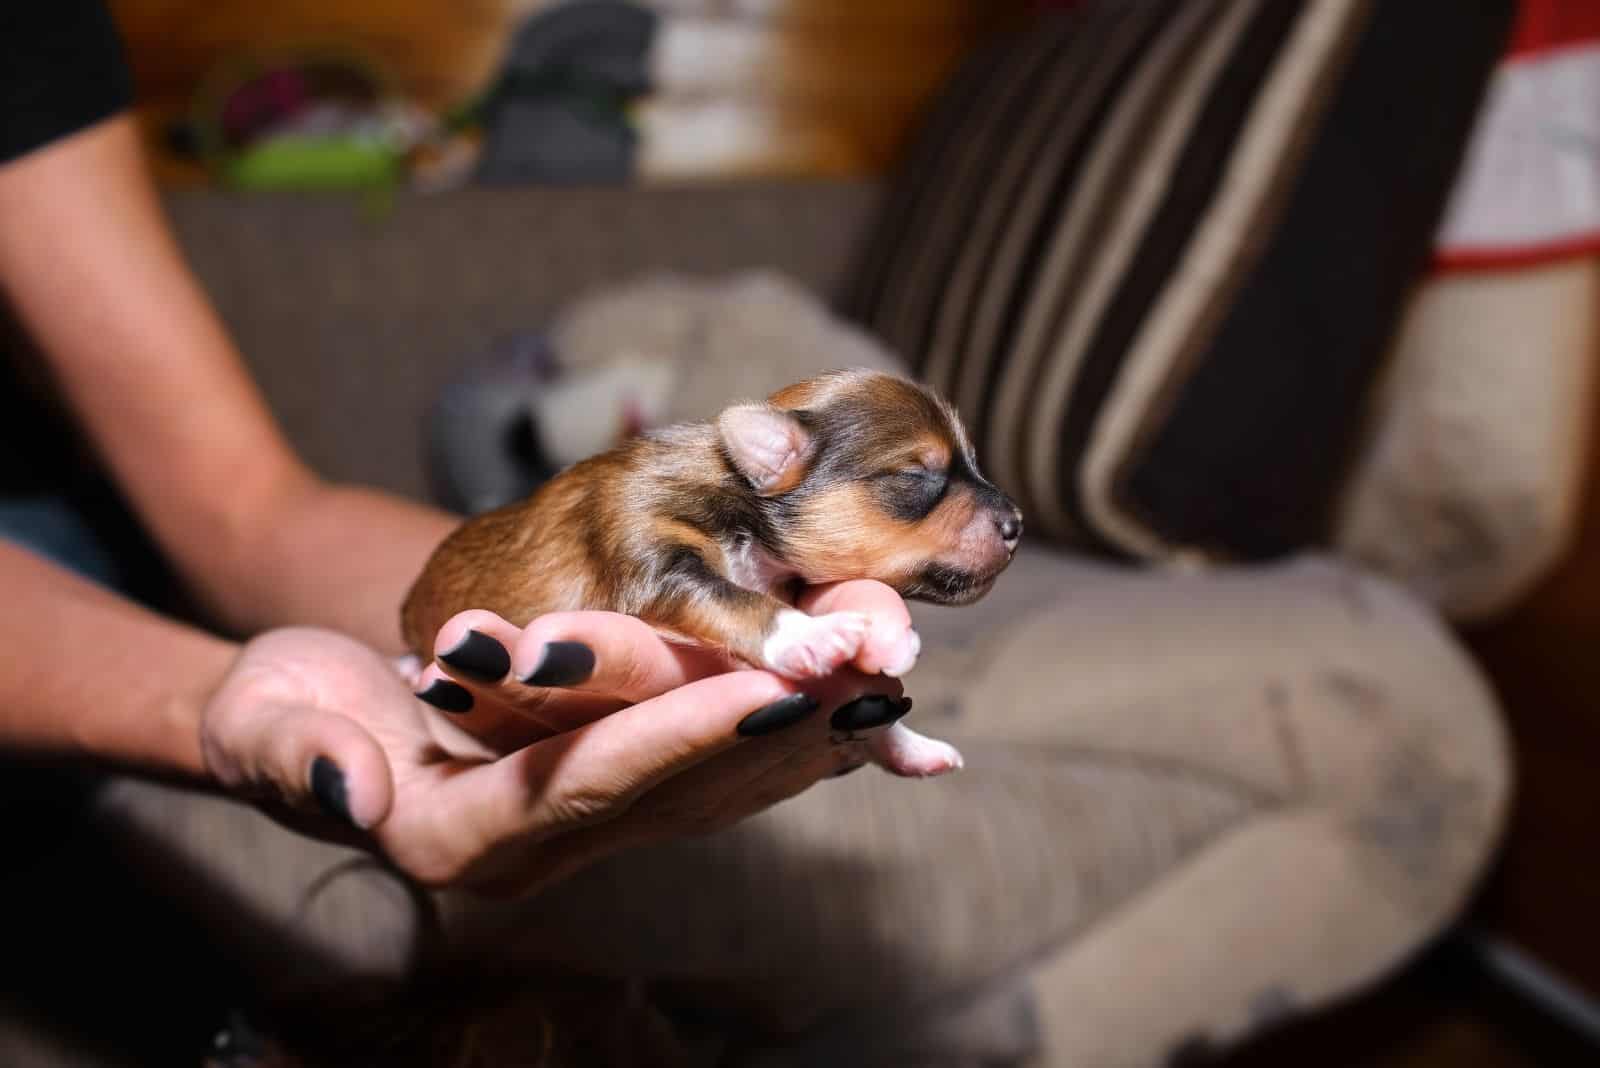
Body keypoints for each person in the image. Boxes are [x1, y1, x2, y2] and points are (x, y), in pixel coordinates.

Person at [0, 4, 1512, 1067]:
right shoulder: (692, 500)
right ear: (773, 468)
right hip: (94, 705)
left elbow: (238, 501)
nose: (988, 514)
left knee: (1405, 707)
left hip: (204, 554)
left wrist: (849, 681)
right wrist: (207, 707)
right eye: (935, 486)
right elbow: (654, 579)